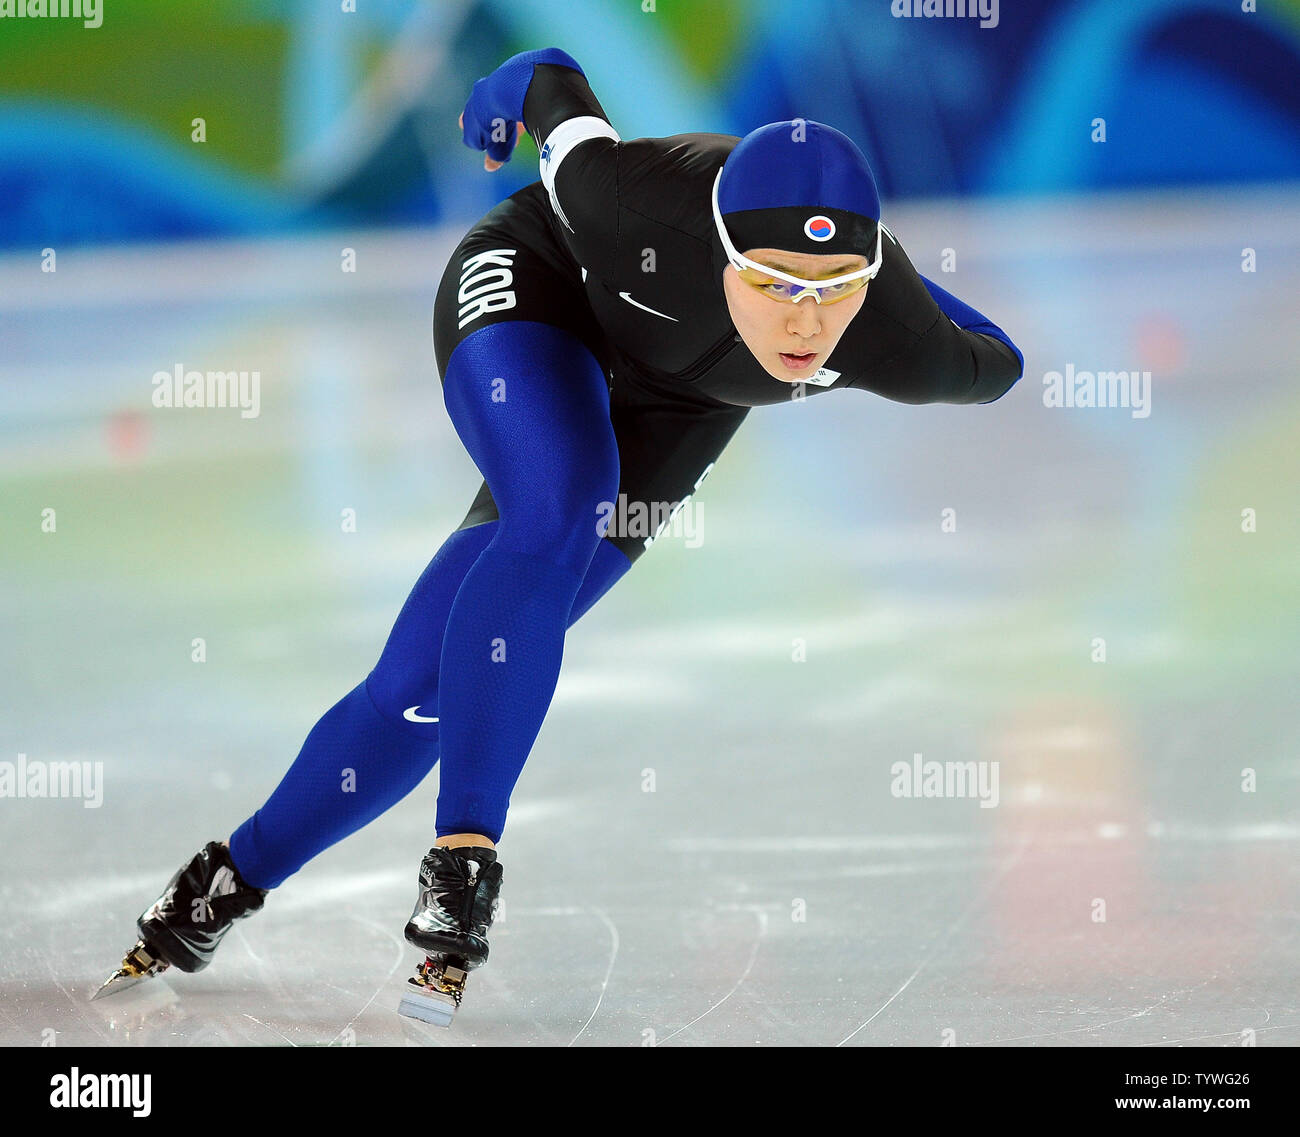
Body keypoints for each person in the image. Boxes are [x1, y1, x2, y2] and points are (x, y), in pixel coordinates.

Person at [99, 48, 1023, 1018]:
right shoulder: (626, 202)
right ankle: (463, 864)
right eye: (775, 281)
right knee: (563, 502)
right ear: (720, 250)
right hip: (539, 294)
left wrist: (901, 289)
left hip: (681, 409)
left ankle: (218, 886)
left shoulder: (894, 338)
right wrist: (488, 116)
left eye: (836, 287)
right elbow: (543, 76)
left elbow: (993, 360)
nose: (805, 320)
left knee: (425, 686)